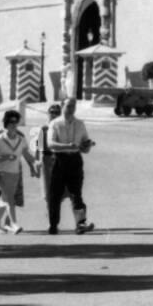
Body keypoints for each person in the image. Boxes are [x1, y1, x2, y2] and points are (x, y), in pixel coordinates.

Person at [46, 97, 95, 235]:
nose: (71, 108)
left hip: (75, 160)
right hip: (59, 160)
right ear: (63, 106)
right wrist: (66, 146)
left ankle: (80, 223)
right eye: (68, 105)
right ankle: (53, 224)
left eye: (73, 106)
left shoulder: (80, 124)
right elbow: (50, 144)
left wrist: (87, 145)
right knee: (55, 195)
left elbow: (85, 146)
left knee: (76, 194)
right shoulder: (55, 123)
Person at [0, 109, 39, 235]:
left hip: (15, 174)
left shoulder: (21, 138)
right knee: (10, 199)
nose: (14, 124)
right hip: (2, 173)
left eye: (16, 122)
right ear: (6, 123)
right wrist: (5, 158)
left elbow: (27, 155)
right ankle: (14, 224)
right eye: (11, 122)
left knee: (5, 199)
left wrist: (35, 164)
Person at [29, 103, 61, 204]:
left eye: (57, 113)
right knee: (47, 189)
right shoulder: (44, 128)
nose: (54, 115)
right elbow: (39, 148)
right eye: (52, 112)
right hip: (46, 160)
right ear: (48, 114)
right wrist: (36, 164)